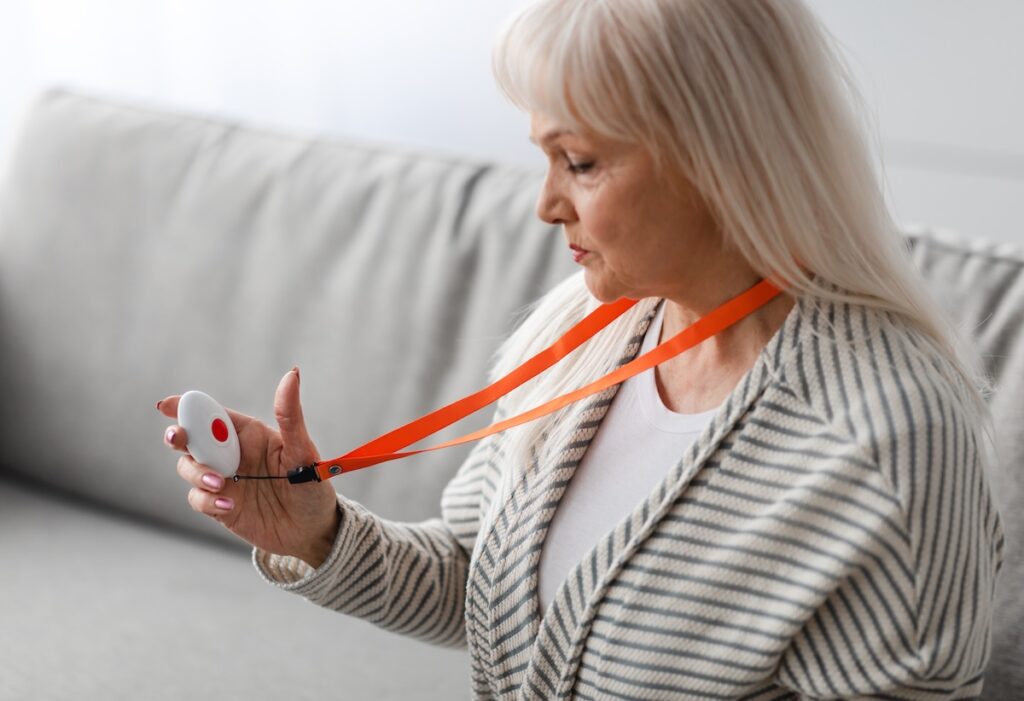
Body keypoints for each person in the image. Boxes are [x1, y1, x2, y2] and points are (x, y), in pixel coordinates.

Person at [157, 0, 1004, 698]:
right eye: (546, 157)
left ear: (720, 159)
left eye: (581, 161)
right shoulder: (581, 332)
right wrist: (319, 531)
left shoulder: (890, 439)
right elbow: (472, 580)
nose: (546, 205)